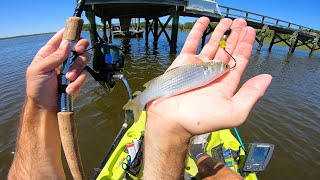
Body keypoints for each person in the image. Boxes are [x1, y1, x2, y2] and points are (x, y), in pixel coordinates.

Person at [8, 17, 272, 179]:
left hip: (165, 88)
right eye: (223, 67)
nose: (224, 69)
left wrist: (40, 105)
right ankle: (199, 155)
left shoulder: (207, 70)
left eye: (224, 68)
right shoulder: (208, 70)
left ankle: (194, 150)